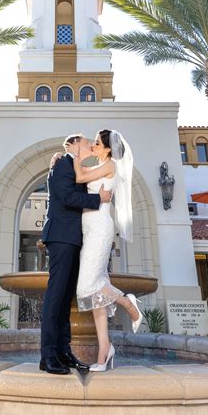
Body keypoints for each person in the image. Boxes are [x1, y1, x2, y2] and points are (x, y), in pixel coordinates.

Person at [39, 133, 113, 375]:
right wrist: (98, 198)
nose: (89, 145)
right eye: (84, 141)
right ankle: (48, 355)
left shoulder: (73, 165)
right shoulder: (62, 164)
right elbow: (68, 197)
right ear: (72, 145)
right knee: (55, 297)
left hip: (75, 239)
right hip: (61, 237)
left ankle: (63, 352)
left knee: (65, 299)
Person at [73, 129, 143, 371]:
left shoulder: (109, 165)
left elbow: (80, 178)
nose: (93, 145)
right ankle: (104, 351)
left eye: (96, 142)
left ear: (107, 148)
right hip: (89, 229)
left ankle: (128, 304)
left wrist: (75, 156)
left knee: (86, 285)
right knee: (96, 295)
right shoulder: (101, 163)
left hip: (101, 228)